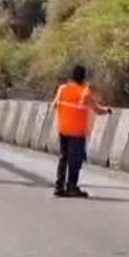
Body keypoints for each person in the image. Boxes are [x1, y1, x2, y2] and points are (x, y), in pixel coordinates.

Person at [52, 65, 112, 198]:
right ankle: (72, 187)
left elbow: (54, 106)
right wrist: (107, 110)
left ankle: (59, 187)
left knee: (63, 158)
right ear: (83, 77)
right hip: (77, 131)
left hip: (63, 129)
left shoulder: (62, 88)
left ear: (71, 76)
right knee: (75, 161)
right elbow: (97, 110)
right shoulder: (85, 91)